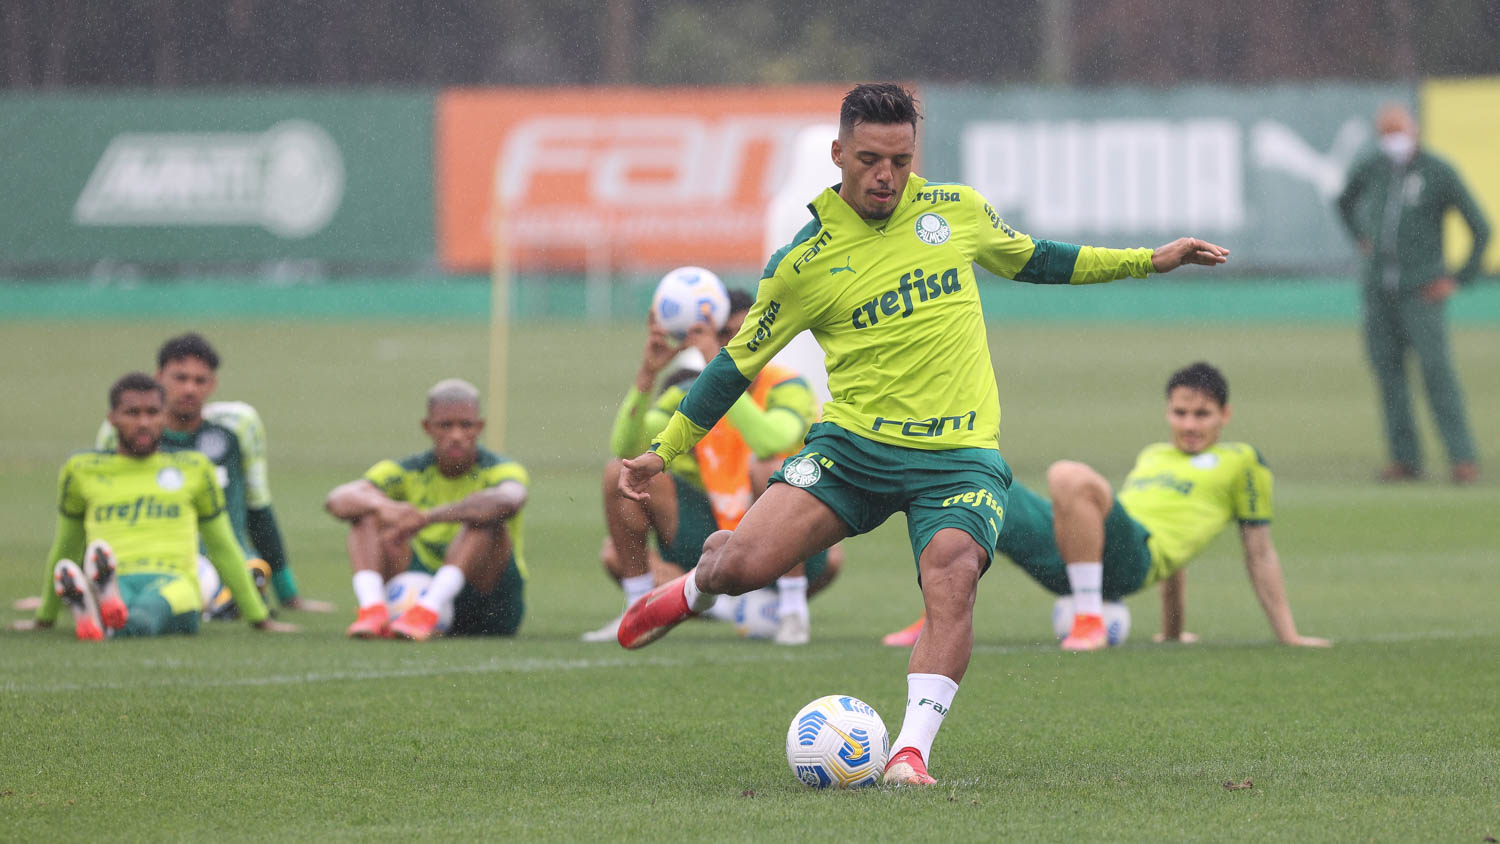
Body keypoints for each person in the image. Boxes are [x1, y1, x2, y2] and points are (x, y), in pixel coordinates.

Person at [614, 83, 1229, 786]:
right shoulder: (802, 263)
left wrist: (1148, 259)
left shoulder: (955, 212)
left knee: (954, 573)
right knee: (742, 568)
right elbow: (732, 366)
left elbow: (1041, 259)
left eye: (901, 160)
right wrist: (663, 451)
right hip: (851, 450)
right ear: (838, 153)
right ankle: (693, 589)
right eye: (870, 159)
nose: (886, 176)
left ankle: (910, 751)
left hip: (958, 456)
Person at [881, 362, 1330, 651]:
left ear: (1224, 415)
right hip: (1080, 553)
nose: (1189, 424)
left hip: (1131, 561)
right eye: (1180, 413)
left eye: (1202, 414)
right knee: (971, 480)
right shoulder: (1155, 454)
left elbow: (1257, 551)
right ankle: (935, 623)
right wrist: (1172, 633)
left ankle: (1089, 621)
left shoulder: (1243, 462)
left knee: (1067, 476)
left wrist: (1288, 635)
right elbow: (1177, 549)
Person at [585, 286, 842, 646]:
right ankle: (640, 610)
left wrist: (721, 374)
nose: (735, 343)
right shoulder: (689, 390)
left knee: (769, 467)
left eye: (744, 333)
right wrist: (648, 373)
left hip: (780, 539)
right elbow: (626, 449)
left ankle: (791, 612)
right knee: (619, 475)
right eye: (724, 335)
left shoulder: (788, 386)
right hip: (708, 531)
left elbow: (771, 442)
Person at [14, 373, 294, 639]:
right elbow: (67, 546)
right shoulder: (82, 470)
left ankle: (96, 610)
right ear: (112, 419)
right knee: (125, 612)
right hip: (118, 575)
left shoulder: (194, 468)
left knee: (145, 618)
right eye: (133, 413)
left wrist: (259, 618)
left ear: (164, 416)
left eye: (152, 412)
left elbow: (223, 546)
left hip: (174, 583)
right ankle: (102, 601)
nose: (144, 422)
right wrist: (44, 618)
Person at [95, 333, 333, 613]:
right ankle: (222, 599)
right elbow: (98, 511)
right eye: (180, 378)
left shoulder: (238, 425)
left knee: (235, 571)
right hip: (159, 559)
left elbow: (258, 508)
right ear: (158, 377)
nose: (190, 389)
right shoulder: (122, 432)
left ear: (213, 384)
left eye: (200, 380)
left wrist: (290, 594)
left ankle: (230, 591)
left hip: (230, 557)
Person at [1336, 103, 1489, 485]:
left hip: (1422, 292)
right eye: (1386, 133)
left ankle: (1462, 457)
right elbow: (1343, 201)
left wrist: (1458, 277)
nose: (1393, 140)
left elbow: (1481, 227)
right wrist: (1360, 237)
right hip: (1378, 294)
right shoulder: (1372, 168)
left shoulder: (1438, 172)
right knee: (1388, 376)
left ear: (1415, 130)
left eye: (1398, 131)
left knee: (1437, 375)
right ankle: (1405, 458)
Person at [325, 378, 529, 641]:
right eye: (446, 425)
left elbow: (509, 500)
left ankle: (428, 611)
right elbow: (337, 499)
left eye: (465, 425)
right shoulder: (406, 470)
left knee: (486, 518)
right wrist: (386, 507)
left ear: (479, 427)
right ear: (427, 427)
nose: (456, 435)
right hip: (420, 585)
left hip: (488, 605)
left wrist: (427, 518)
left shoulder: (501, 468)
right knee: (364, 514)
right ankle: (372, 611)